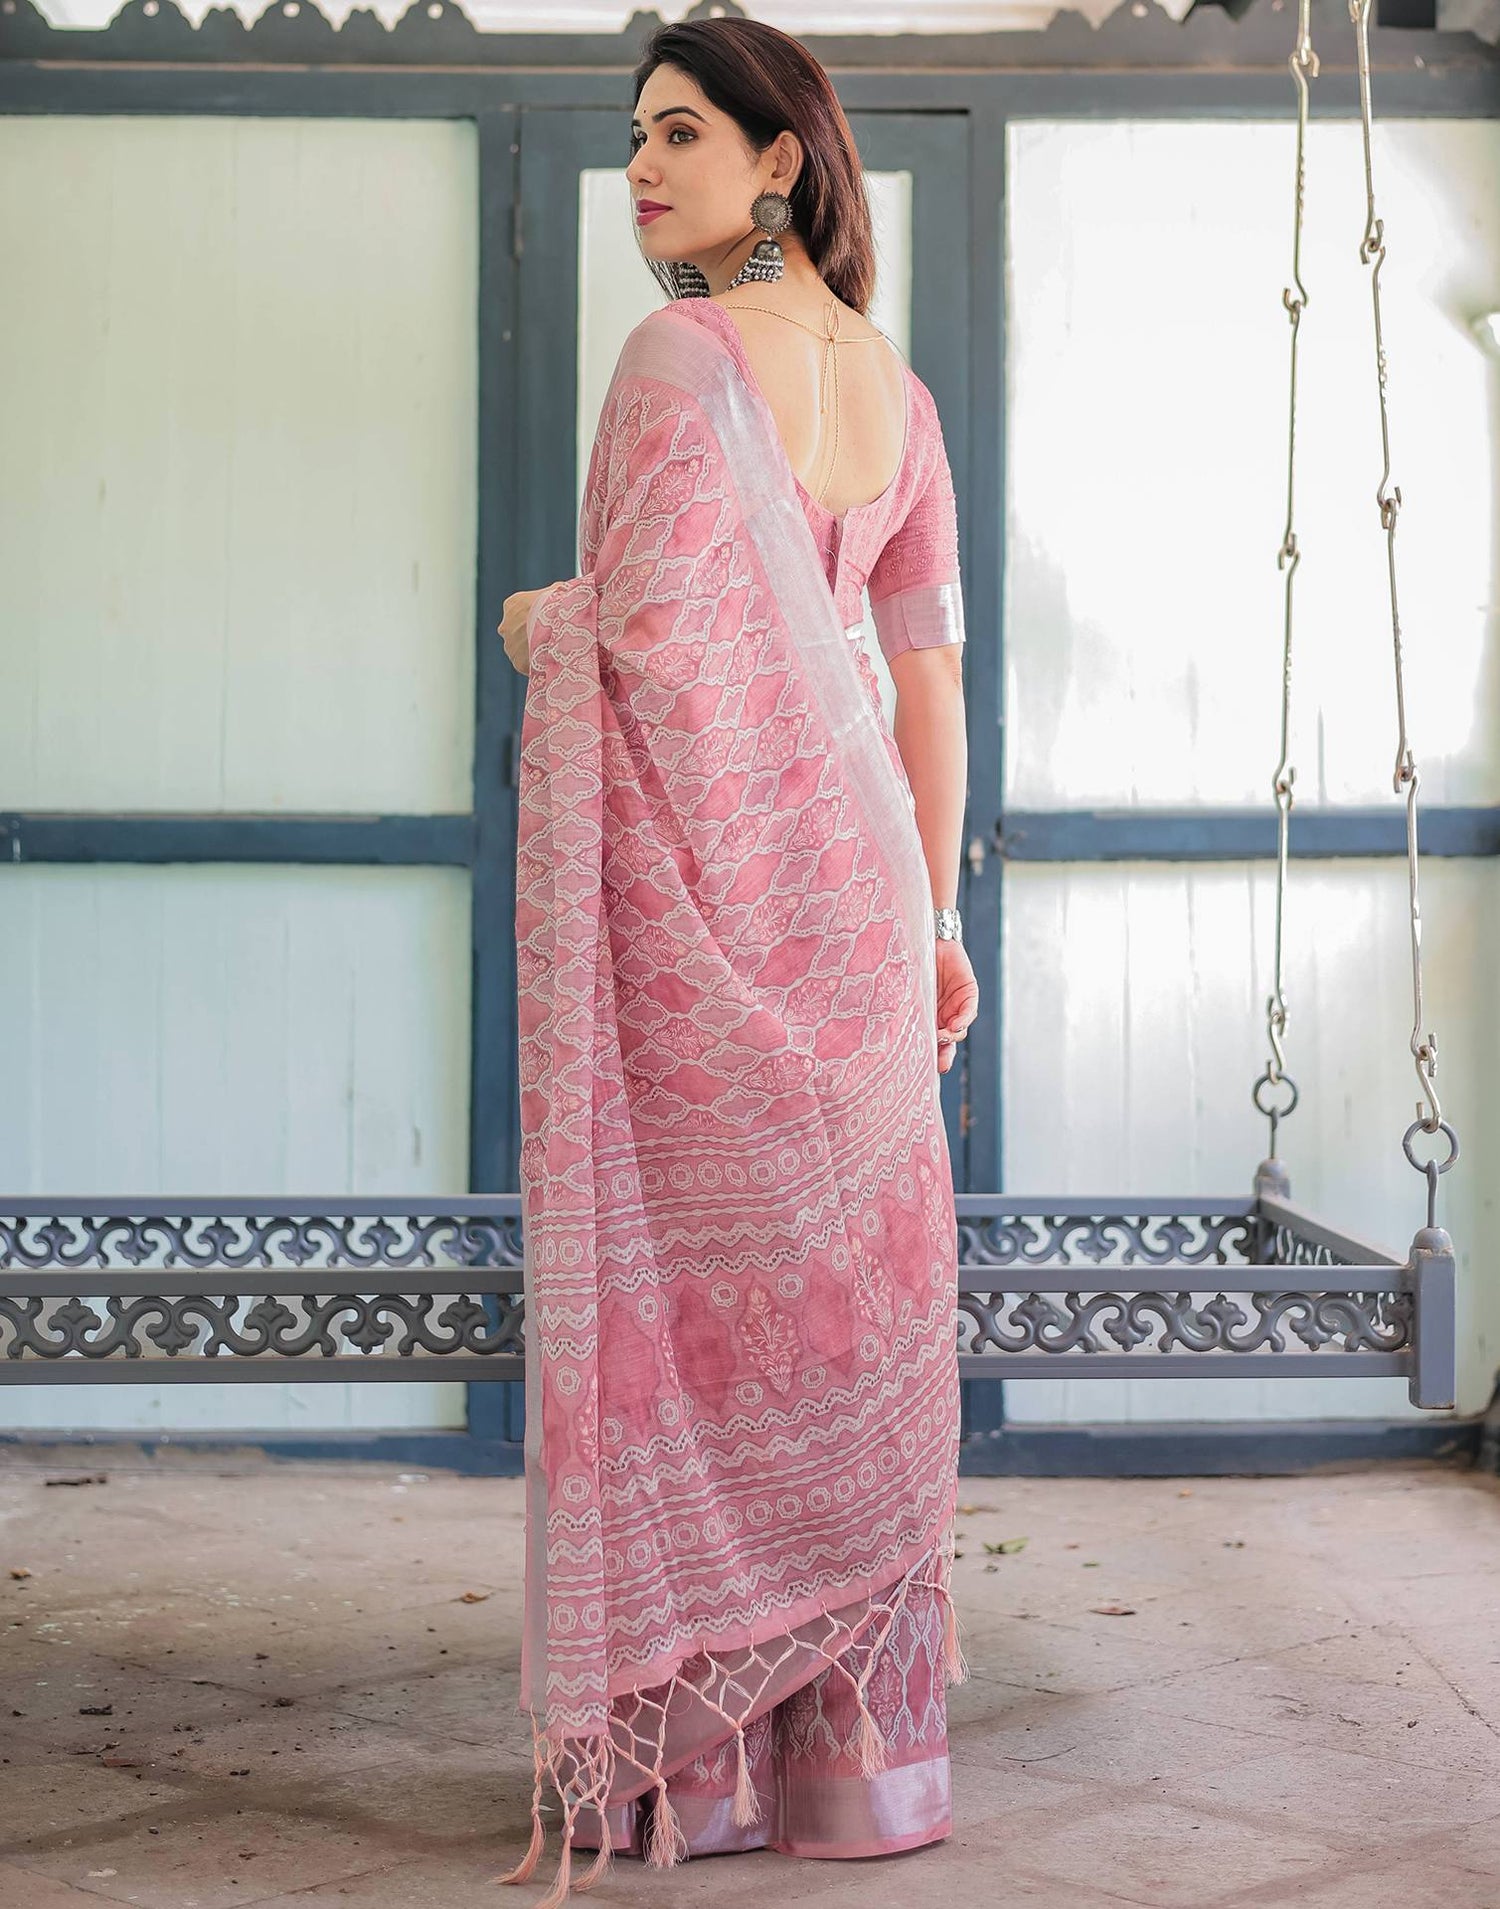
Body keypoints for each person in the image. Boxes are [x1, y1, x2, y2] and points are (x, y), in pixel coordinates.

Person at [493, 17, 979, 1905]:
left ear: (781, 161)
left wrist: (543, 614)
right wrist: (931, 919)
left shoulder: (680, 361)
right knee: (846, 1312)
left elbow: (657, 653)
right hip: (856, 915)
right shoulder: (901, 396)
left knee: (693, 1329)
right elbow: (925, 682)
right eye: (634, 139)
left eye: (683, 135)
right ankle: (855, 1778)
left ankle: (683, 1778)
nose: (643, 168)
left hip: (729, 918)